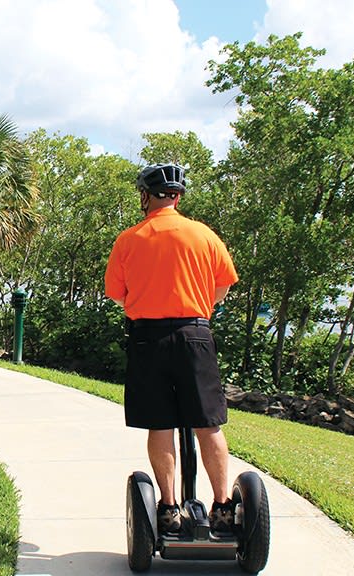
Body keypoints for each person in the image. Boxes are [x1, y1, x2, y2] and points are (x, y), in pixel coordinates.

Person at [104, 163, 239, 536]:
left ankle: (168, 507)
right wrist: (195, 308)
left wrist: (147, 303)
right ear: (178, 197)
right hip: (195, 334)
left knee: (160, 424)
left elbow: (117, 295)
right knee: (207, 424)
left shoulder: (129, 239)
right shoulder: (204, 235)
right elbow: (222, 288)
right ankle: (224, 507)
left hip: (148, 337)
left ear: (146, 196)